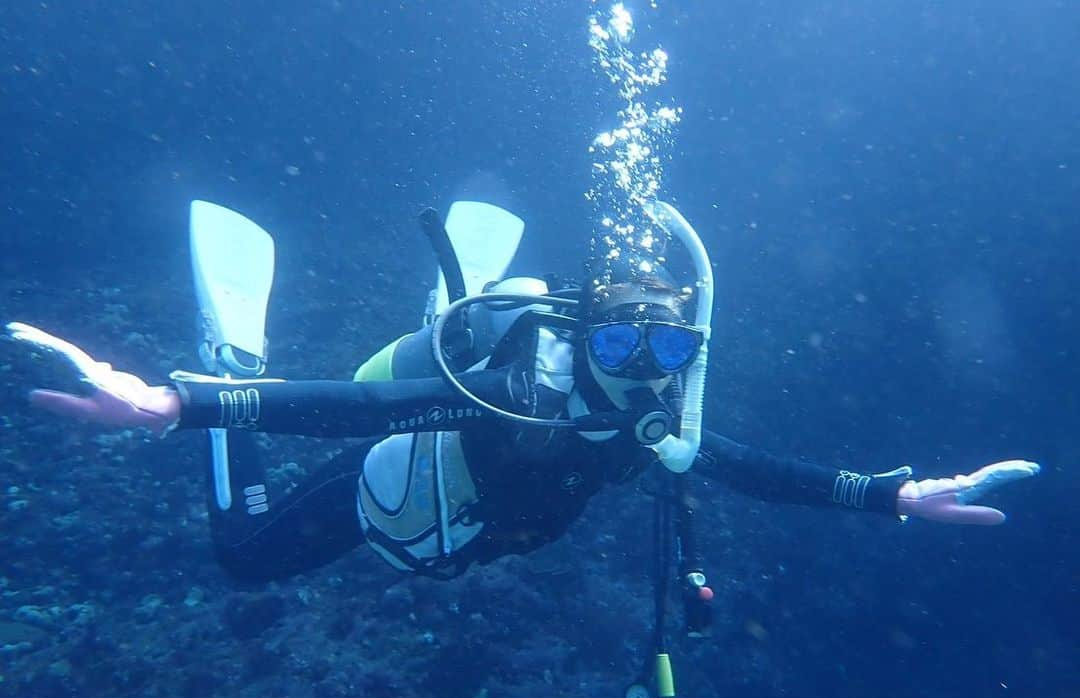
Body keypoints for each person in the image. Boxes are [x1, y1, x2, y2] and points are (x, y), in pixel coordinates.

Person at [5, 197, 1040, 588]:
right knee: (244, 556)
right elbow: (361, 412)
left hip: (475, 524)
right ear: (590, 334)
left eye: (667, 343)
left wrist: (889, 496)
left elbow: (745, 467)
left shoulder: (653, 420)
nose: (643, 364)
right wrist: (188, 403)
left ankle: (440, 311)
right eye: (625, 338)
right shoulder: (518, 394)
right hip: (411, 486)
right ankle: (237, 347)